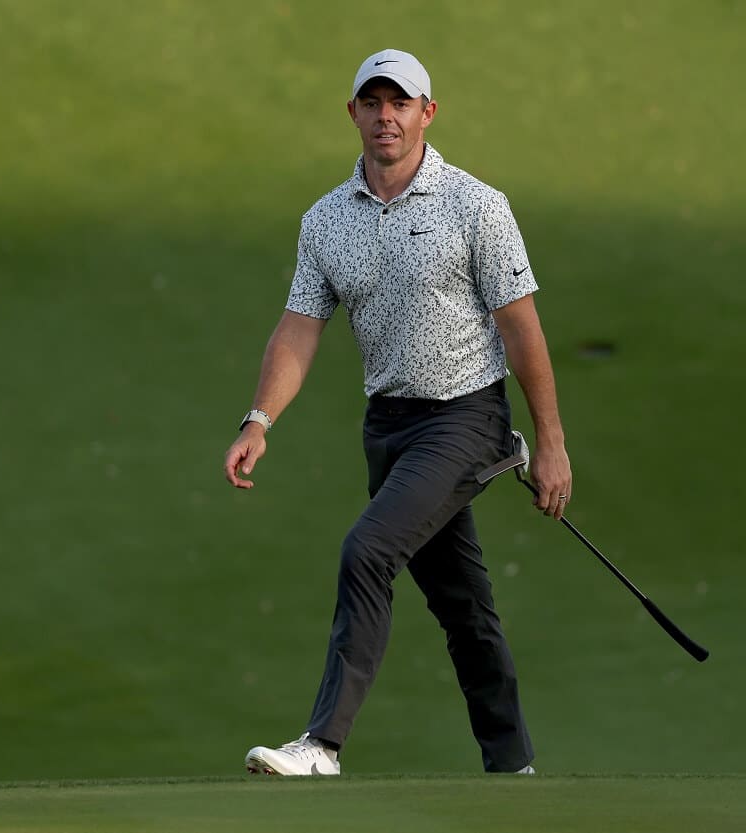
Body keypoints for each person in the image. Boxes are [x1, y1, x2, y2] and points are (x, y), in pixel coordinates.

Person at [223, 48, 572, 776]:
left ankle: (321, 744)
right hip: (388, 428)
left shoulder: (477, 205)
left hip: (465, 418)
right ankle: (513, 765)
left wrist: (551, 442)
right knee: (462, 604)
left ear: (427, 113)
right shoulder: (325, 221)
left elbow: (521, 327)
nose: (387, 116)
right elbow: (299, 326)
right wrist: (260, 418)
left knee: (368, 550)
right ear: (352, 112)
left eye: (401, 103)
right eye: (373, 103)